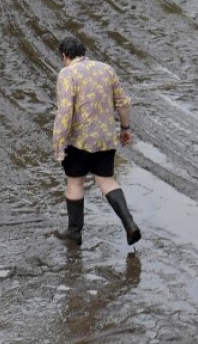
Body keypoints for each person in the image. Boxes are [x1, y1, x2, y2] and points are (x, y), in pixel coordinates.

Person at [50, 35, 141, 246]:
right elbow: (123, 103)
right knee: (106, 181)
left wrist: (58, 143)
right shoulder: (106, 69)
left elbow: (64, 112)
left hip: (78, 141)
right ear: (83, 52)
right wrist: (125, 129)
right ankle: (129, 223)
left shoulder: (67, 74)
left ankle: (74, 233)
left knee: (75, 182)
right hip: (105, 138)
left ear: (65, 56)